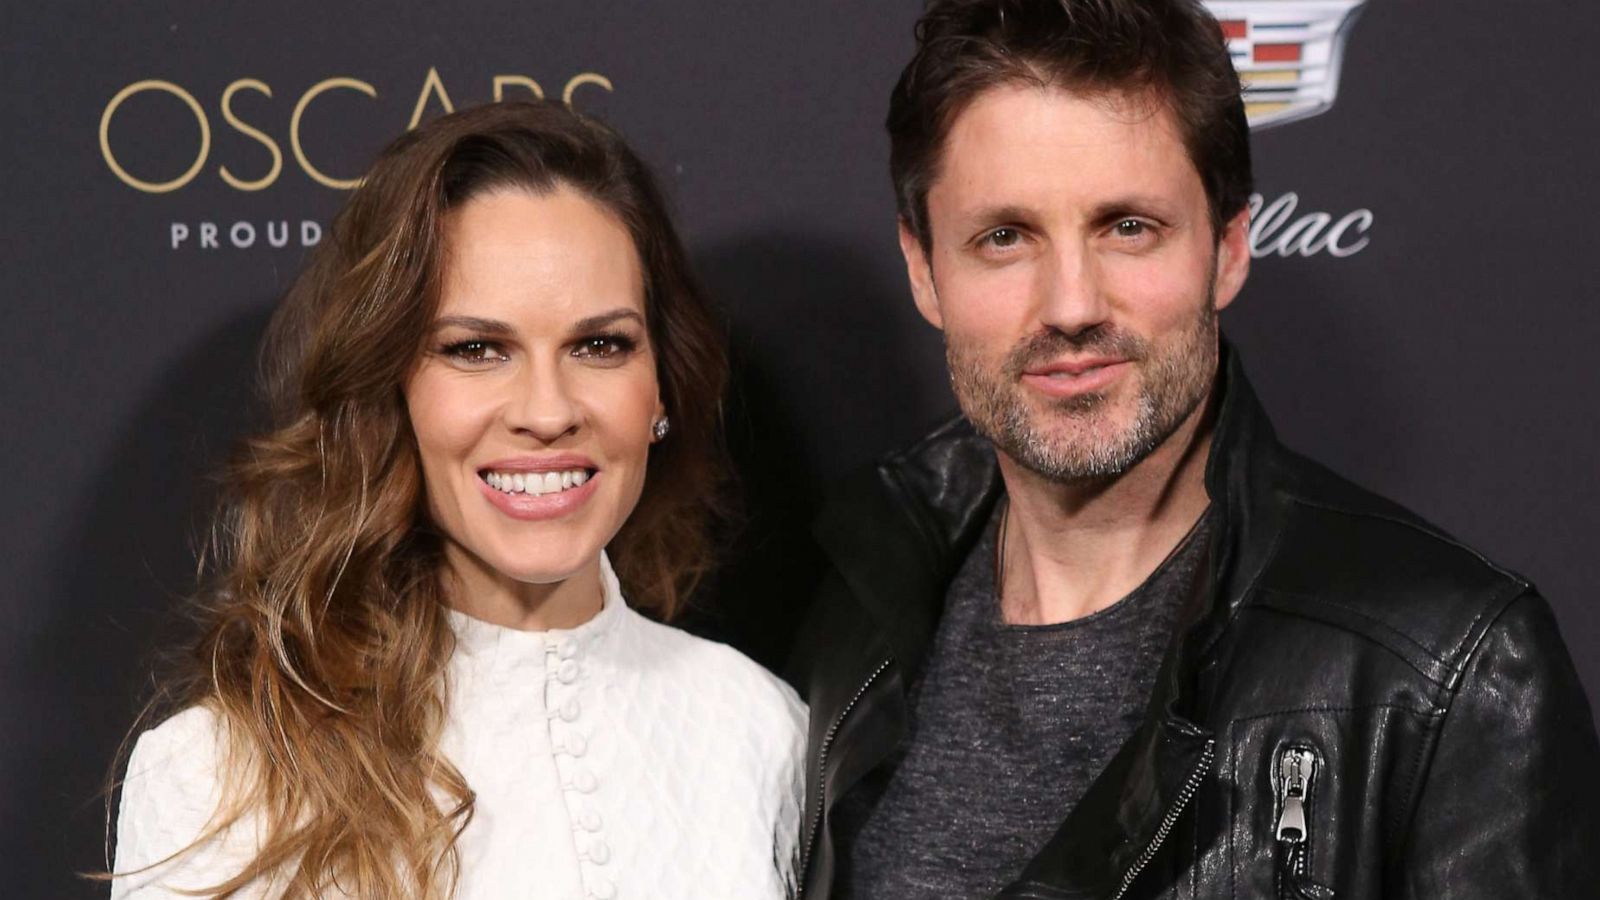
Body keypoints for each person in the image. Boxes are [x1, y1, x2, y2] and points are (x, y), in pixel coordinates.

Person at [786, 1, 1600, 898]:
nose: (1070, 305)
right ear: (923, 269)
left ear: (1228, 249)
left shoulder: (1451, 672)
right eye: (1005, 237)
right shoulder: (843, 605)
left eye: (1127, 227)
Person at [108, 100, 805, 900]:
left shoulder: (759, 730)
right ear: (390, 388)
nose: (547, 411)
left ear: (662, 389)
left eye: (599, 345)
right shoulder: (219, 774)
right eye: (476, 349)